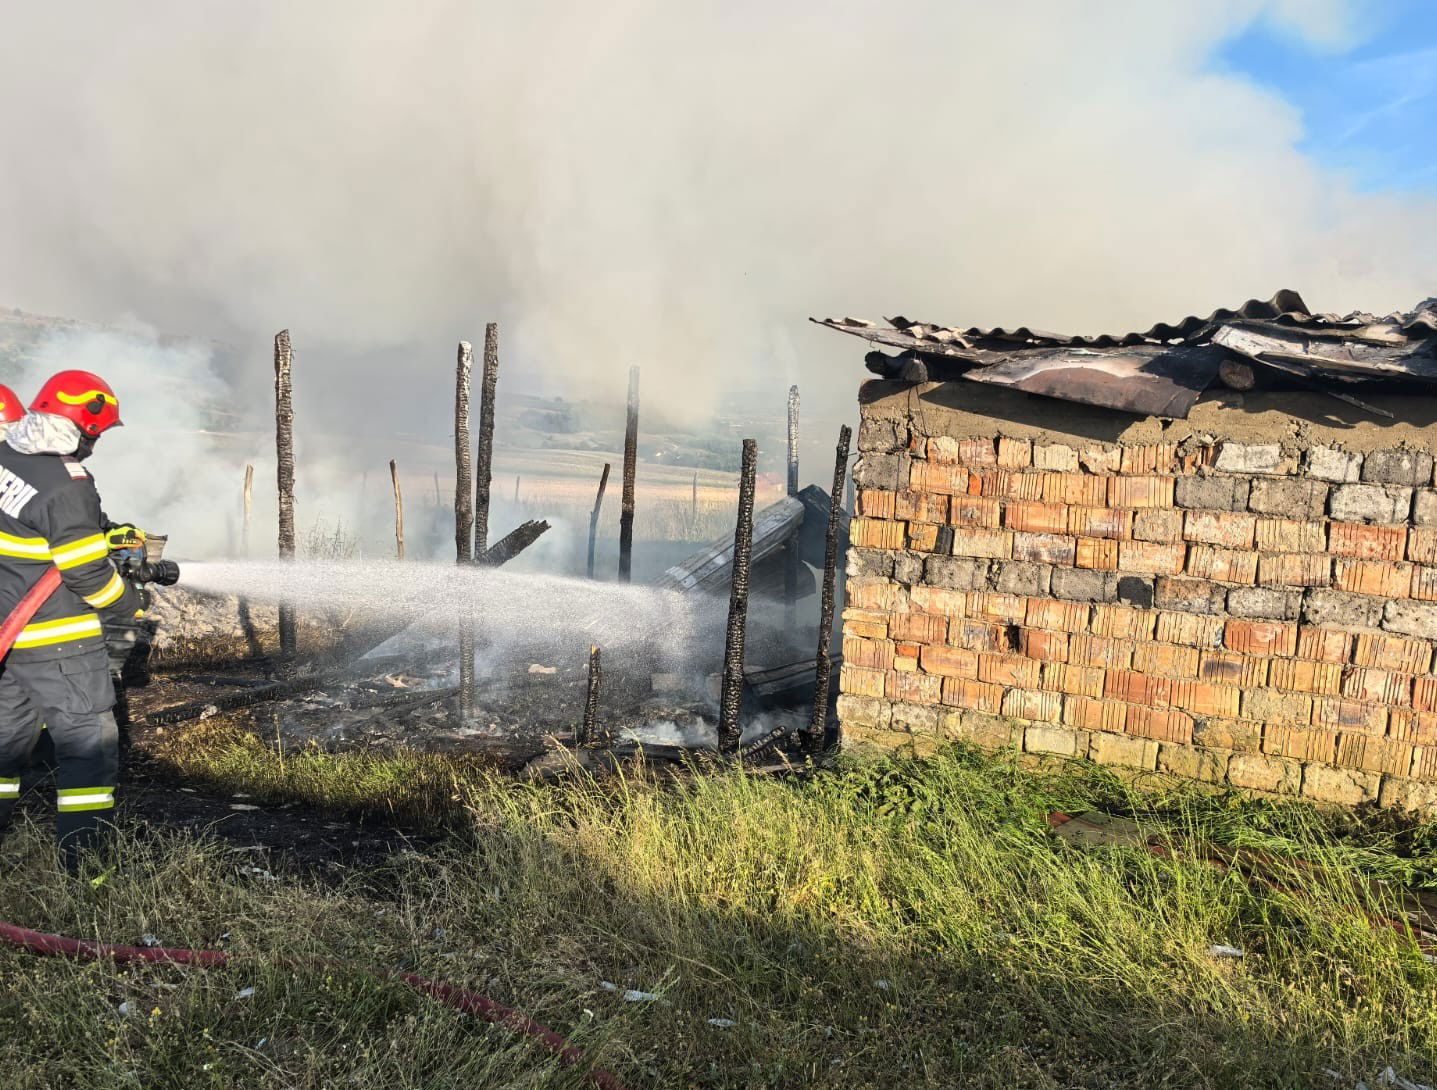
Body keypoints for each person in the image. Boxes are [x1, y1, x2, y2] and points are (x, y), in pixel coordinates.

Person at [0, 370, 142, 871]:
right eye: (97, 434)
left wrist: (111, 529)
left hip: (8, 638)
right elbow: (86, 575)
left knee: (5, 745)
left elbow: (52, 527)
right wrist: (129, 604)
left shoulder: (8, 456)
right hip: (57, 642)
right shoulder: (67, 482)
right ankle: (89, 877)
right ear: (84, 426)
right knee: (89, 747)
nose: (96, 443)